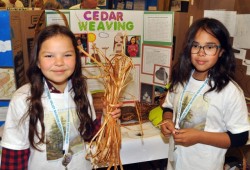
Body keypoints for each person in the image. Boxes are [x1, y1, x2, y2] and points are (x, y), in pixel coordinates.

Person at [0, 24, 121, 170]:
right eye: (49, 56)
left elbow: (88, 134)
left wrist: (106, 118)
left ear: (76, 58)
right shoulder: (23, 99)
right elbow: (14, 155)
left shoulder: (81, 91)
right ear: (38, 61)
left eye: (67, 55)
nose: (59, 62)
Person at [160, 18, 250, 170]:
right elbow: (168, 107)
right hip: (175, 163)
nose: (201, 53)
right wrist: (167, 121)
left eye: (209, 47)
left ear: (221, 51)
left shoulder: (230, 91)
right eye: (196, 45)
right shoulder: (181, 79)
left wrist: (199, 136)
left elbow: (240, 137)